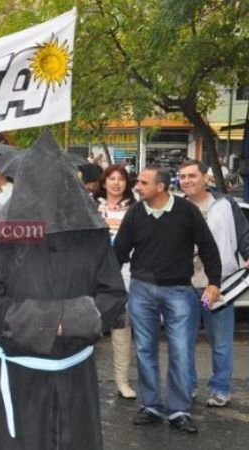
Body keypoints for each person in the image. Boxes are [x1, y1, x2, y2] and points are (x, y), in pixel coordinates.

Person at [0, 132, 127, 449]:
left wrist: (71, 320)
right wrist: (48, 321)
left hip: (75, 372)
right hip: (19, 372)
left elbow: (113, 293)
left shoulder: (90, 231)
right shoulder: (4, 230)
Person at [114, 166, 222, 434]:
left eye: (143, 182)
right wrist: (107, 285)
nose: (137, 186)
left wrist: (214, 282)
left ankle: (178, 410)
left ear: (160, 187)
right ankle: (150, 406)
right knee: (145, 351)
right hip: (141, 290)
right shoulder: (136, 213)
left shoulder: (187, 212)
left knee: (181, 352)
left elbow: (209, 248)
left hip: (179, 292)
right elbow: (118, 252)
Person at [179, 159, 249, 407]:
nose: (186, 180)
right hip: (185, 285)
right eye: (183, 176)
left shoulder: (225, 204)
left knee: (220, 341)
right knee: (182, 342)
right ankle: (187, 387)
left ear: (205, 178)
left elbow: (243, 232)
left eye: (192, 175)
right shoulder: (176, 207)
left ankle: (221, 388)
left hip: (217, 284)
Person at [94, 165, 138, 399]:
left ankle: (122, 381)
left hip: (126, 273)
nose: (116, 183)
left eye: (121, 179)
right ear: (104, 182)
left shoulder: (136, 208)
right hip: (95, 274)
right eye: (111, 178)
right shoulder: (91, 207)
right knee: (88, 326)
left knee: (122, 327)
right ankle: (83, 380)